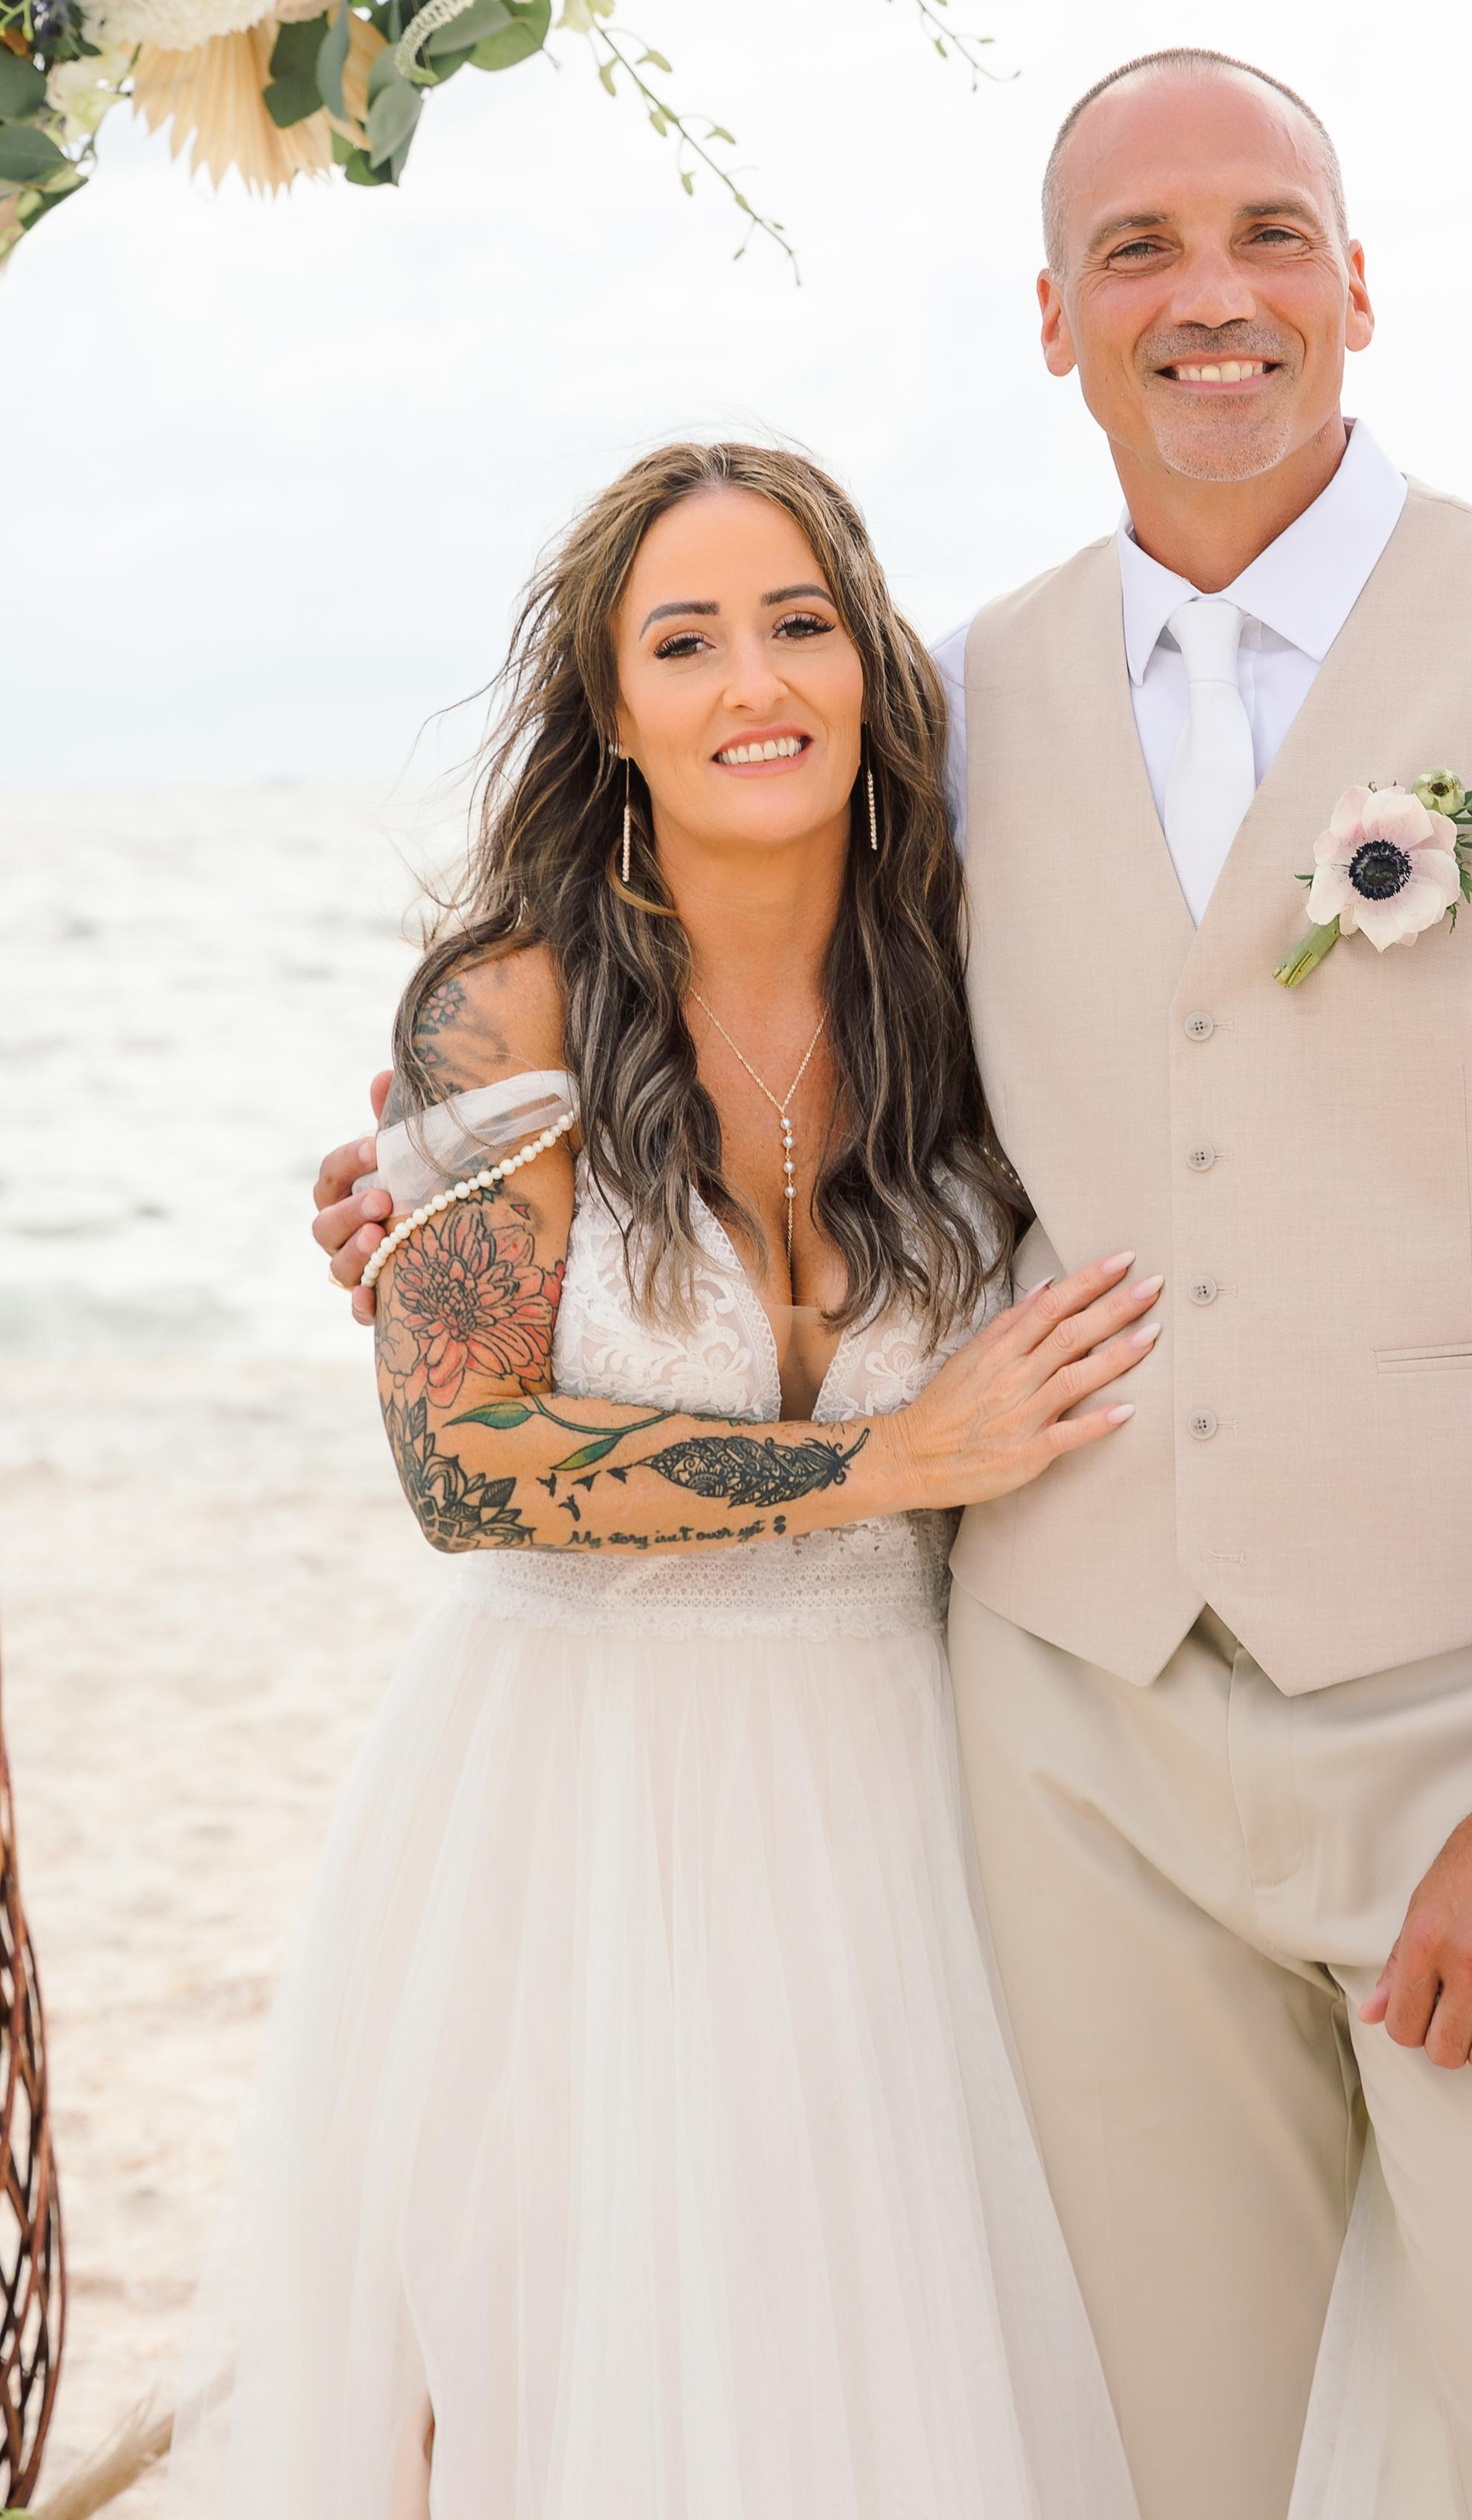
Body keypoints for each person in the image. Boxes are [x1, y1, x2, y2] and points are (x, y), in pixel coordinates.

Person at [314, 53, 1472, 2520]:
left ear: (1358, 285)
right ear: (1055, 319)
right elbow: (798, 1051)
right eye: (1141, 249)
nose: (1214, 294)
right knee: (1145, 2462)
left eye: (1270, 231)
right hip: (1071, 1752)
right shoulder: (962, 714)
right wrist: (437, 1182)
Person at [171, 442, 1149, 2519]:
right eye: (684, 642)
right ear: (611, 712)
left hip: (904, 1781)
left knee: (871, 2364)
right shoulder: (503, 1005)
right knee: (548, 2358)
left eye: (799, 624)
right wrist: (887, 1455)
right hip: (566, 1796)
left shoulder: (978, 988)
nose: (753, 683)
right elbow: (460, 1458)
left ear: (873, 667)